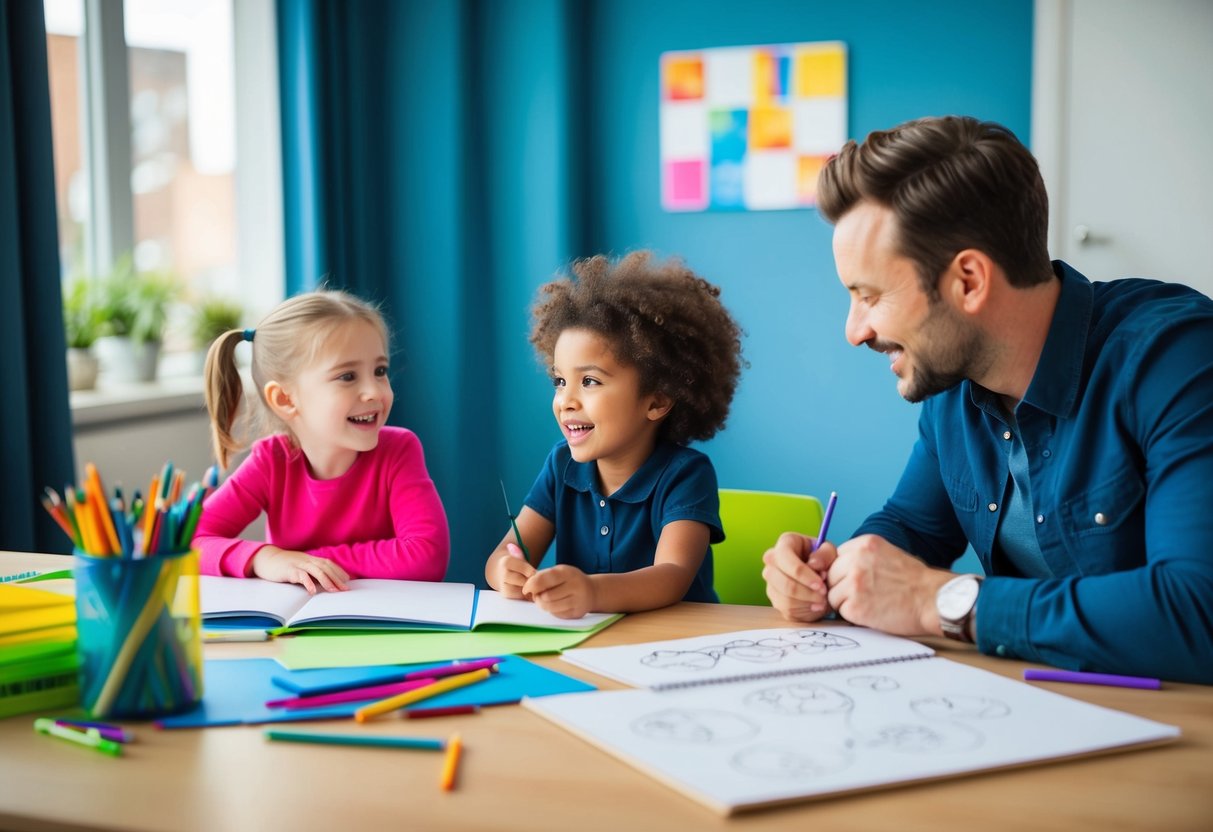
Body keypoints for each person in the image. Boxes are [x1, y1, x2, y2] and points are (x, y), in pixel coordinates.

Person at [762, 115, 1213, 684]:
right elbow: (914, 527)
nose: (854, 330)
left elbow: (1198, 610)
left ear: (969, 281)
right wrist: (838, 573)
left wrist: (947, 602)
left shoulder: (1177, 360)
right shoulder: (952, 386)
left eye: (869, 296)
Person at [485, 251, 745, 618]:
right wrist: (503, 571)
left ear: (656, 402)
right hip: (591, 645)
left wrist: (590, 591)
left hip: (678, 643)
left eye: (589, 381)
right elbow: (505, 552)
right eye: (560, 381)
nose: (565, 401)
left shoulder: (686, 474)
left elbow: (671, 576)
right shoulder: (561, 466)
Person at [193, 289, 450, 593]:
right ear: (285, 399)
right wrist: (265, 558)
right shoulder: (271, 461)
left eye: (380, 371)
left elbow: (427, 556)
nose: (374, 391)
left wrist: (309, 560)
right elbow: (193, 542)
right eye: (347, 376)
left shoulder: (399, 450)